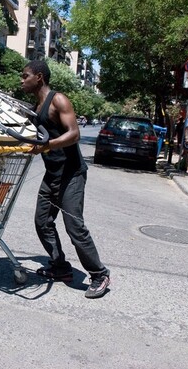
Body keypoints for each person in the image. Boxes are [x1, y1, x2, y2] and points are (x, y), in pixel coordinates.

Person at [21, 60, 110, 299]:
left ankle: (99, 274)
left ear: (39, 77)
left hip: (72, 174)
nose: (22, 80)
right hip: (52, 174)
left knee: (75, 228)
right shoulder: (36, 105)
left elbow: (74, 134)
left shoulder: (58, 100)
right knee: (42, 222)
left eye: (25, 76)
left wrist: (46, 145)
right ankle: (60, 267)